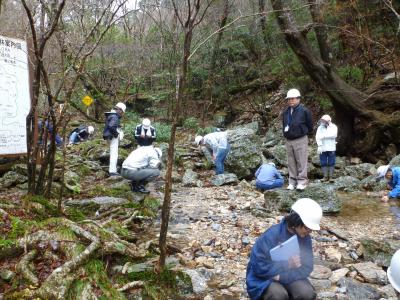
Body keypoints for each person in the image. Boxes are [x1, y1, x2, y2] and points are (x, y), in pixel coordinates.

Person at [246, 198, 322, 300]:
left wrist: (282, 277)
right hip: (264, 278)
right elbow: (258, 267)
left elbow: (307, 267)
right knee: (278, 295)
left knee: (306, 293)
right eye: (307, 228)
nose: (309, 232)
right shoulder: (271, 235)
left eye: (311, 230)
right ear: (296, 220)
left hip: (289, 275)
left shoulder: (305, 238)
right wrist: (287, 264)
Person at [282, 88, 313, 191]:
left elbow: (310, 126)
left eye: (292, 98)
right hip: (289, 139)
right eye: (289, 99)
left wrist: (302, 132)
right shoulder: (286, 111)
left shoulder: (304, 110)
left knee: (301, 161)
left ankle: (302, 182)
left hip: (300, 138)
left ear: (298, 99)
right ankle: (292, 182)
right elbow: (284, 124)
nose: (290, 100)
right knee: (291, 162)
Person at [103, 102, 126, 176]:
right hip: (112, 137)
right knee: (114, 154)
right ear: (119, 110)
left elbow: (111, 125)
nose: (122, 114)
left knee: (113, 153)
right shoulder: (115, 116)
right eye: (122, 112)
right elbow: (111, 126)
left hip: (109, 136)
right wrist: (117, 135)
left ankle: (112, 170)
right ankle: (112, 171)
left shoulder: (111, 115)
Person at [315, 115, 338, 182]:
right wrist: (319, 145)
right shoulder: (320, 127)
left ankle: (331, 177)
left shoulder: (334, 127)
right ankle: (325, 177)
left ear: (328, 121)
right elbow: (317, 137)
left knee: (331, 162)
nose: (323, 122)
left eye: (324, 121)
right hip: (322, 147)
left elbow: (334, 135)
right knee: (323, 162)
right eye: (322, 121)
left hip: (331, 148)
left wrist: (324, 136)